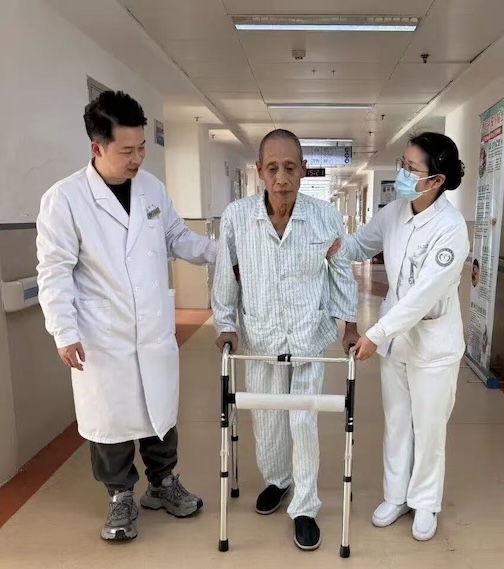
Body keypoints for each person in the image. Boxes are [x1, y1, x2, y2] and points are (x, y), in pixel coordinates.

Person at [36, 91, 215, 541]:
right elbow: (54, 271)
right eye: (127, 150)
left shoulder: (152, 188)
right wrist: (63, 330)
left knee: (160, 412)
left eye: (142, 148)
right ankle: (119, 496)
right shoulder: (65, 199)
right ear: (97, 147)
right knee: (110, 420)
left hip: (151, 326)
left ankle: (163, 484)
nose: (137, 159)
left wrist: (223, 252)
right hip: (103, 333)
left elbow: (177, 237)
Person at [213, 129, 360, 551]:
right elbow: (225, 275)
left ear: (304, 170)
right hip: (261, 337)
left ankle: (305, 506)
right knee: (267, 420)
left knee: (302, 420)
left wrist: (349, 325)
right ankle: (278, 481)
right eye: (273, 168)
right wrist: (225, 323)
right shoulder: (238, 217)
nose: (282, 178)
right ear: (260, 171)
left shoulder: (324, 216)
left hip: (309, 336)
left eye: (290, 168)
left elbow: (340, 273)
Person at [337, 132, 469, 542]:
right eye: (403, 165)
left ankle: (425, 502)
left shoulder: (451, 228)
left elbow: (422, 295)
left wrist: (375, 334)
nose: (403, 175)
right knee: (396, 422)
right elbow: (359, 245)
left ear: (437, 180)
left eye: (412, 169)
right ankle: (395, 496)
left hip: (433, 345)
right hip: (397, 344)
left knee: (429, 429)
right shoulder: (394, 212)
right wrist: (329, 246)